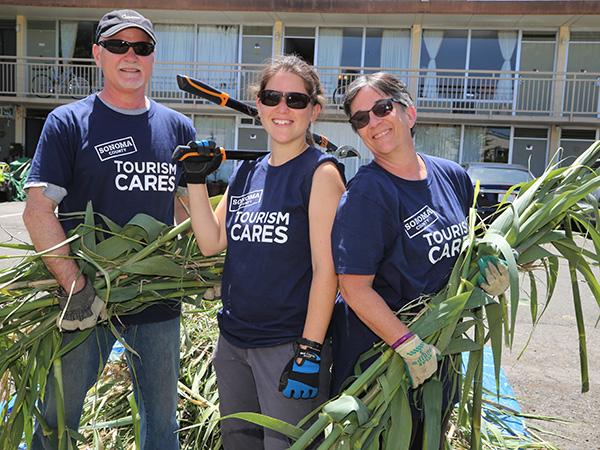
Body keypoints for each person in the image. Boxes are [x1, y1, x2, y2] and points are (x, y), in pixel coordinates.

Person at [23, 10, 196, 449]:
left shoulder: (178, 128)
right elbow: (38, 212)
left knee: (162, 425)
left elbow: (178, 209)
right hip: (87, 301)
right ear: (98, 54)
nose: (131, 55)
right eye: (118, 46)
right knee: (58, 418)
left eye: (142, 47)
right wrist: (74, 286)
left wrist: (198, 263)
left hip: (157, 302)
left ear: (153, 56)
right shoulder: (68, 122)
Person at [329, 72, 509, 449]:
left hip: (440, 354)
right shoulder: (368, 193)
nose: (373, 121)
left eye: (382, 108)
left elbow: (465, 252)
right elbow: (353, 286)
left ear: (409, 113)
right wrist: (406, 343)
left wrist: (491, 274)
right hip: (382, 365)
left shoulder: (451, 175)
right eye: (361, 118)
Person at [177, 55, 346, 450]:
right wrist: (196, 180)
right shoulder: (246, 172)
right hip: (233, 342)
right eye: (272, 97)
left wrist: (309, 352)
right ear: (259, 105)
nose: (282, 108)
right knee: (240, 444)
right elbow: (211, 242)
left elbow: (327, 271)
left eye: (296, 100)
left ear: (314, 111)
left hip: (286, 347)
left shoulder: (321, 174)